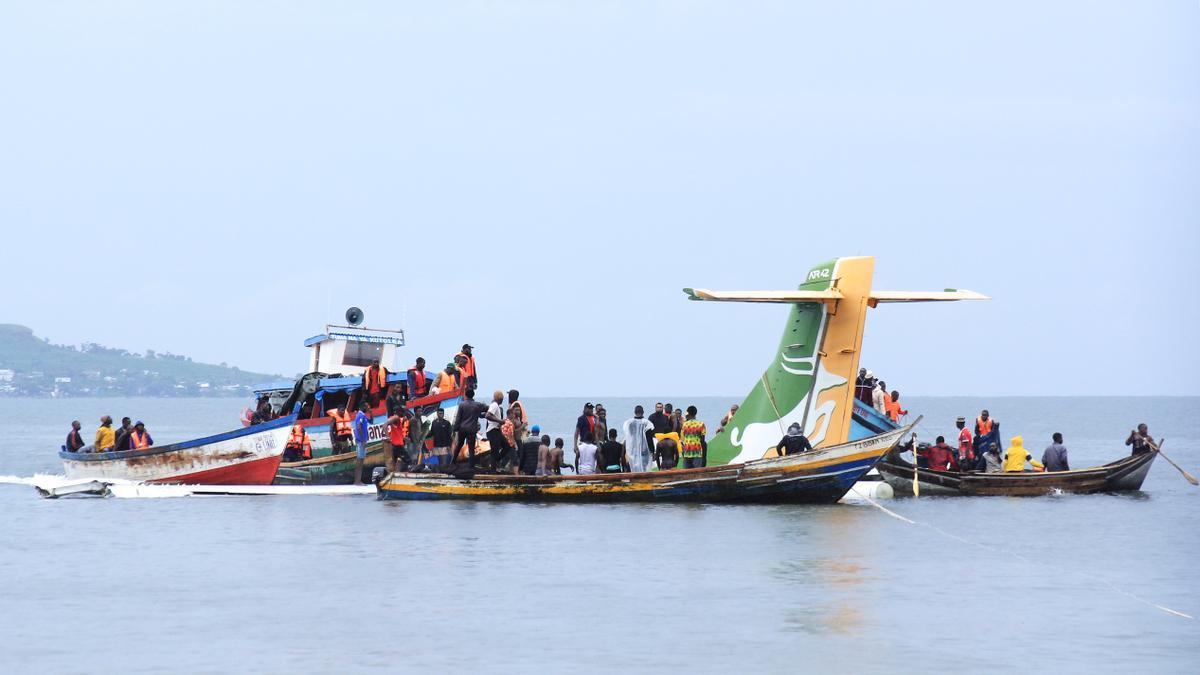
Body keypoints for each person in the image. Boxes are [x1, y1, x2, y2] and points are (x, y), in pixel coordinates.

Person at [452, 388, 487, 468]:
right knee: (471, 449)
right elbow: (487, 408)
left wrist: (455, 429)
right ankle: (471, 466)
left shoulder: (462, 404)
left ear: (466, 395)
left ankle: (453, 462)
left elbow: (458, 418)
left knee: (459, 445)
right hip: (471, 430)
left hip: (462, 429)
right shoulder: (478, 405)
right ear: (473, 395)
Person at [621, 405, 655, 473]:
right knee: (644, 469)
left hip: (633, 451)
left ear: (634, 412)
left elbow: (628, 437)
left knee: (634, 468)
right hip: (644, 451)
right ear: (643, 412)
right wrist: (652, 451)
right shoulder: (647, 423)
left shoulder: (629, 423)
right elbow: (649, 439)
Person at [484, 390, 512, 471]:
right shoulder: (494, 405)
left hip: (497, 430)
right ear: (500, 399)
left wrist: (499, 422)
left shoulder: (496, 406)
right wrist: (499, 421)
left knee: (507, 446)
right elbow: (487, 415)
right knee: (494, 451)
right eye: (502, 399)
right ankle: (493, 470)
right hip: (492, 431)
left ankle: (496, 461)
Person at [573, 402, 599, 471]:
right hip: (583, 441)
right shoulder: (581, 418)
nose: (591, 410)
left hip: (592, 442)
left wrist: (598, 443)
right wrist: (575, 445)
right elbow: (576, 433)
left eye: (592, 409)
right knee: (580, 457)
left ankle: (594, 471)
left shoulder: (594, 418)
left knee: (595, 457)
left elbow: (596, 432)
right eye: (589, 408)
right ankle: (578, 472)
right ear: (585, 409)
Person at [352, 402, 371, 485]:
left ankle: (358, 481)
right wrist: (363, 440)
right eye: (367, 406)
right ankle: (357, 481)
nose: (368, 407)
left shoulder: (362, 415)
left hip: (360, 441)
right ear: (363, 407)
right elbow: (359, 427)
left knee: (360, 461)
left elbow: (371, 421)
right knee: (360, 461)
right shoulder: (361, 416)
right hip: (361, 441)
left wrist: (371, 412)